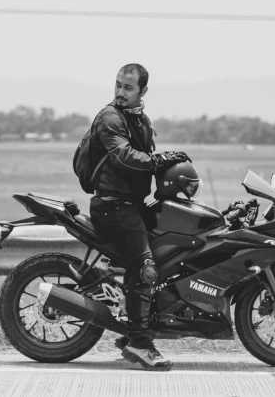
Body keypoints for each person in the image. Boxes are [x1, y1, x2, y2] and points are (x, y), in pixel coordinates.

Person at [88, 63, 190, 371]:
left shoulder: (140, 120)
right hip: (113, 206)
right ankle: (140, 345)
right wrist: (160, 159)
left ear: (142, 91)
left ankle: (132, 326)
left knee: (167, 249)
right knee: (146, 270)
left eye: (128, 87)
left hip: (131, 205)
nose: (120, 91)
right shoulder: (110, 118)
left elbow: (148, 160)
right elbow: (125, 157)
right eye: (118, 85)